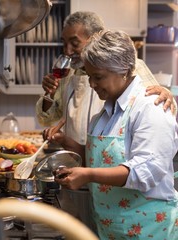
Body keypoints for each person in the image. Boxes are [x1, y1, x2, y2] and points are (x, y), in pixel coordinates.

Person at [43, 30, 178, 239]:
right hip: (112, 229)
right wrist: (69, 143)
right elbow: (100, 159)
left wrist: (87, 175)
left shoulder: (150, 107)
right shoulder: (104, 115)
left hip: (149, 229)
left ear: (123, 71)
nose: (92, 84)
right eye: (89, 76)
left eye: (98, 77)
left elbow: (145, 171)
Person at [35, 11, 176, 145]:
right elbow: (46, 119)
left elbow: (161, 106)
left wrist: (165, 93)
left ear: (95, 39)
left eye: (75, 43)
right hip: (76, 157)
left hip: (114, 161)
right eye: (64, 43)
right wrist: (50, 93)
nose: (67, 51)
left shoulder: (129, 66)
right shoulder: (67, 73)